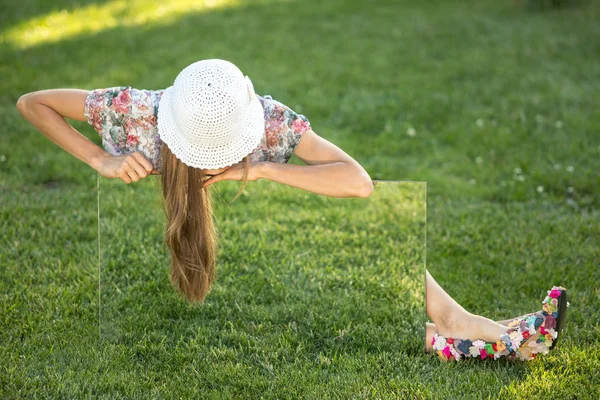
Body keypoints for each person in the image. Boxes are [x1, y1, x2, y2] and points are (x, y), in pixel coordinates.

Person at [16, 59, 568, 362]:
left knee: (350, 220)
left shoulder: (268, 121)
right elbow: (31, 101)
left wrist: (265, 169)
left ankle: (451, 322)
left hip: (264, 226)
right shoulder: (137, 112)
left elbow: (359, 183)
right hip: (214, 245)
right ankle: (452, 328)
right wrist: (99, 160)